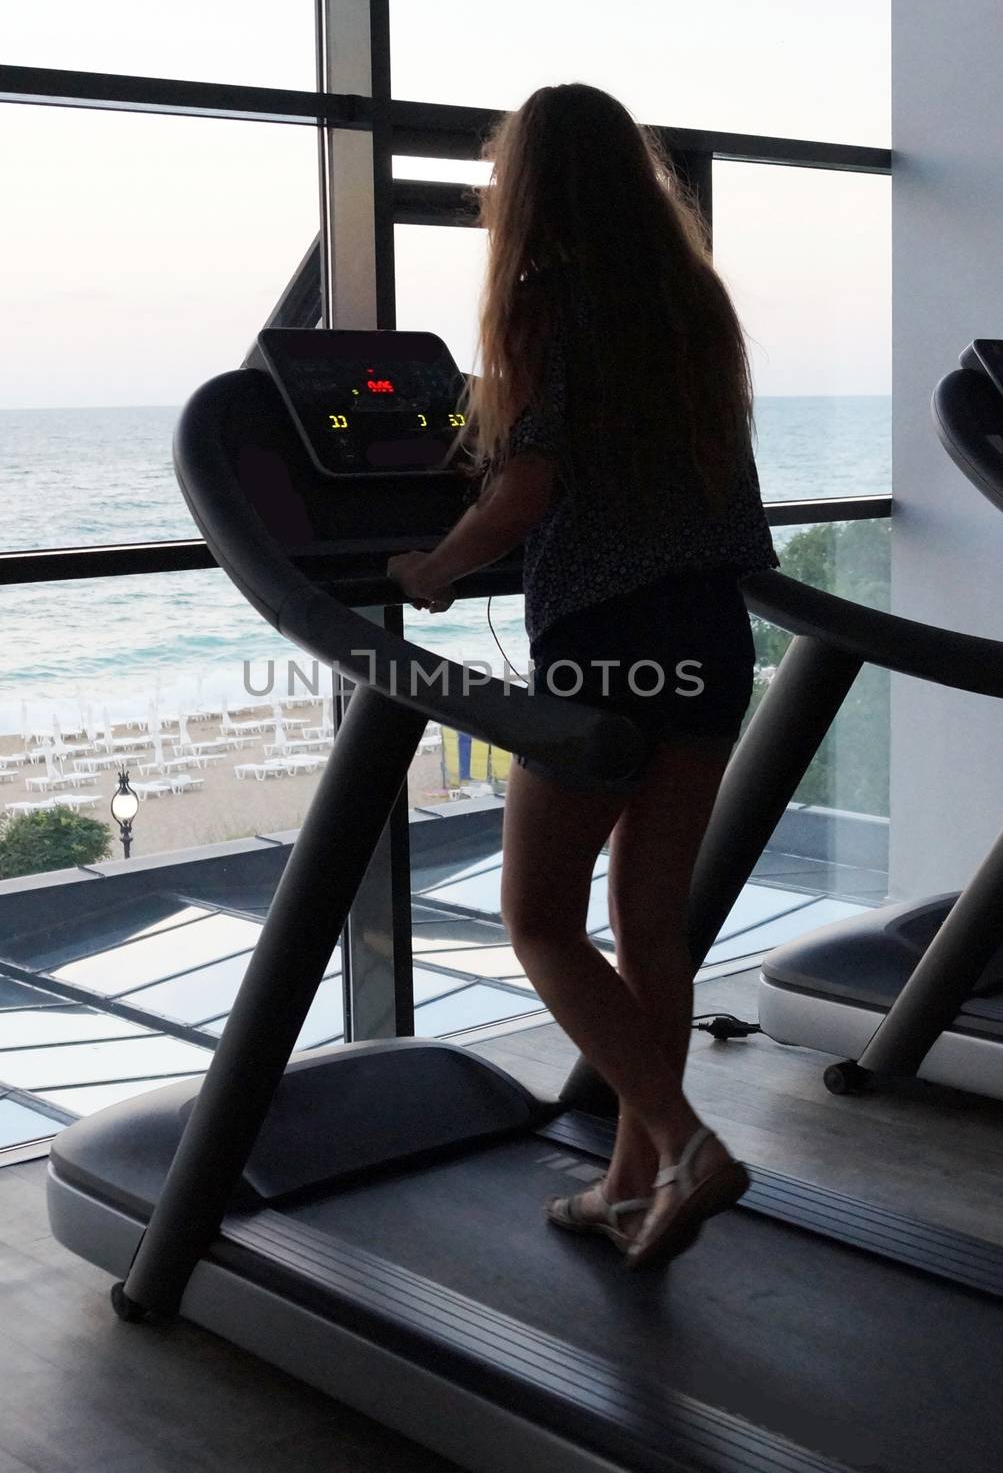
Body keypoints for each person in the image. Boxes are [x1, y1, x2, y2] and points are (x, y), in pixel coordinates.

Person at [387, 82, 778, 1269]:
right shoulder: (690, 302)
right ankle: (626, 1185)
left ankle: (678, 1141)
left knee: (540, 919)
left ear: (528, 186)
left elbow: (528, 484)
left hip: (607, 644)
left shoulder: (547, 303)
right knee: (649, 930)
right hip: (710, 633)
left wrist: (436, 568)